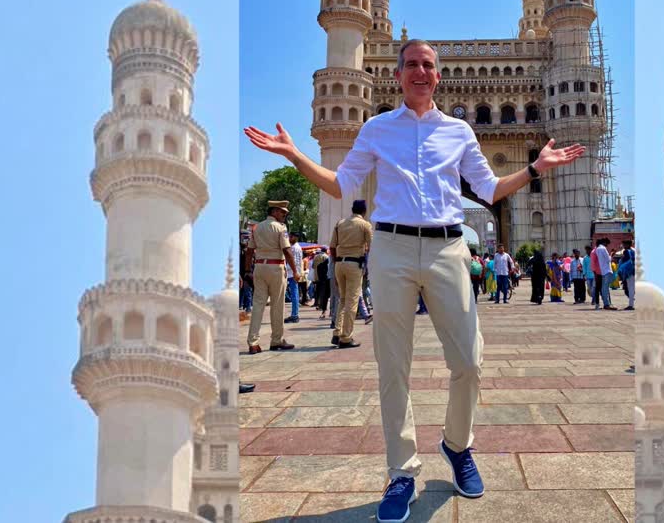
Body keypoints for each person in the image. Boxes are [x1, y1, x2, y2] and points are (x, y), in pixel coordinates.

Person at [245, 39, 584, 522]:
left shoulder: (460, 130)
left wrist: (533, 168)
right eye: (411, 66)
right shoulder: (376, 129)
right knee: (393, 367)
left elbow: (487, 190)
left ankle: (457, 445)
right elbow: (343, 184)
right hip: (392, 248)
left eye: (428, 66)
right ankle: (401, 471)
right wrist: (296, 156)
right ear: (397, 75)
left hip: (449, 247)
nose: (420, 72)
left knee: (469, 359)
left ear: (438, 76)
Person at [245, 200, 299, 353]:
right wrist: (295, 271)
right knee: (277, 306)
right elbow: (287, 251)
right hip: (276, 267)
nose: (284, 215)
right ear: (274, 211)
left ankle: (253, 342)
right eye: (282, 212)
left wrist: (248, 270)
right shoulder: (280, 228)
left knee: (258, 306)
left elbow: (249, 252)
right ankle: (276, 340)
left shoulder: (257, 228)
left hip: (259, 267)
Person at [330, 199, 373, 348]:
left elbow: (332, 247)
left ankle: (337, 332)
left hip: (339, 263)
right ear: (364, 211)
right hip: (354, 264)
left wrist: (335, 263)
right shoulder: (365, 225)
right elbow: (371, 247)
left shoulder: (340, 223)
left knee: (342, 299)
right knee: (352, 301)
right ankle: (346, 337)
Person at [592, 238, 618, 311]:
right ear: (604, 242)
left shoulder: (597, 249)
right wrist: (612, 254)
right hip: (607, 270)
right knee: (605, 289)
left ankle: (606, 303)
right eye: (607, 244)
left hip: (602, 271)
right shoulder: (603, 249)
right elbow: (608, 259)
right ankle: (606, 304)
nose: (607, 245)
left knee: (604, 288)